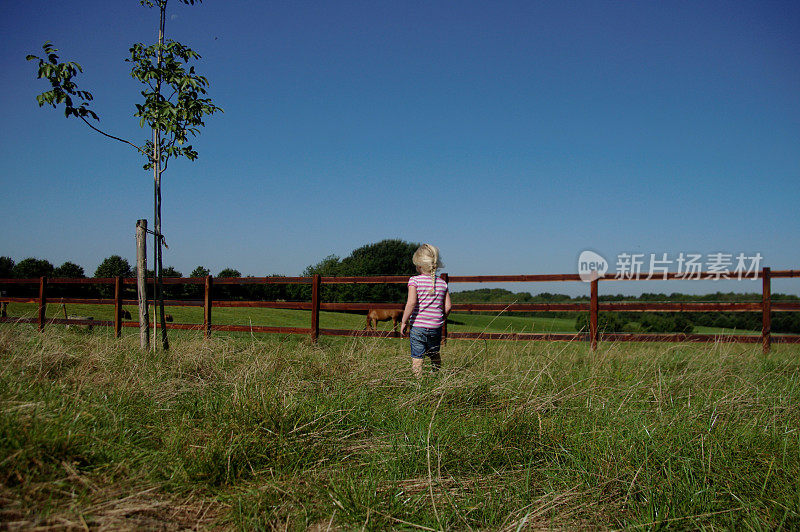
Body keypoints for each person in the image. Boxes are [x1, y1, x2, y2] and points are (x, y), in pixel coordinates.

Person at [400, 244, 452, 378]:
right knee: (434, 354)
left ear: (419, 265)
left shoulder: (414, 281)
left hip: (418, 326)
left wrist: (404, 321)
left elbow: (411, 303)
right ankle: (436, 377)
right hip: (436, 327)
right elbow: (448, 307)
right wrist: (441, 318)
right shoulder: (442, 283)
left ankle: (418, 382)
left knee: (417, 357)